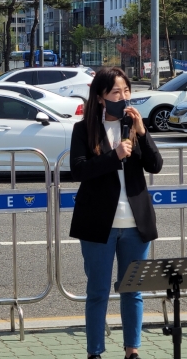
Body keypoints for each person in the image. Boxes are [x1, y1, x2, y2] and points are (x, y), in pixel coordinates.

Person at [69, 67, 163, 359]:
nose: (122, 98)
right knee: (97, 292)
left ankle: (132, 350)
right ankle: (95, 351)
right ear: (100, 97)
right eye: (115, 93)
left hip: (135, 224)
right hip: (99, 225)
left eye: (126, 91)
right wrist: (115, 156)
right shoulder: (84, 129)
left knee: (132, 291)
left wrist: (142, 132)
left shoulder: (133, 124)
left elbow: (155, 165)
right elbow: (79, 170)